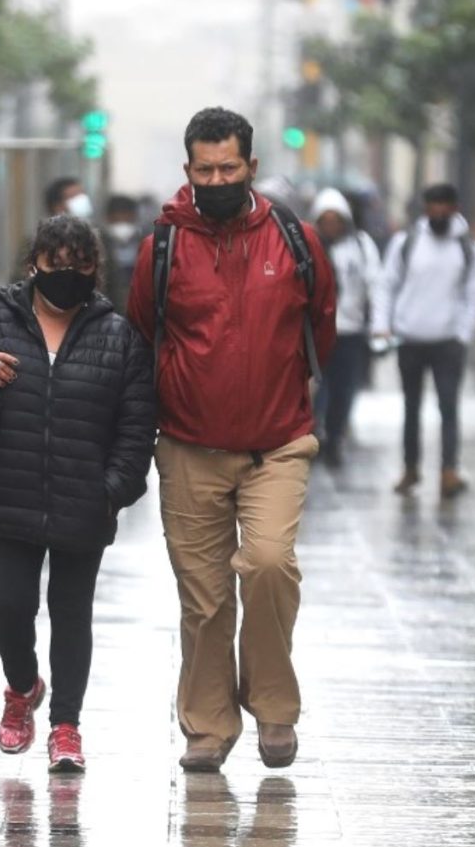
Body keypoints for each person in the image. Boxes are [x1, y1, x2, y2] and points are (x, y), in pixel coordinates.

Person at [126, 107, 336, 773]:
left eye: (228, 167)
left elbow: (321, 327)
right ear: (188, 170)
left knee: (271, 564)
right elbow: (140, 333)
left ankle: (274, 704)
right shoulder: (163, 246)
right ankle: (208, 723)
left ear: (251, 165)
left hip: (277, 443)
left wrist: (289, 392)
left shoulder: (294, 239)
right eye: (204, 169)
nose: (216, 178)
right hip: (188, 445)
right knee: (205, 597)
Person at [0, 214, 157, 773]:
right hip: (9, 491)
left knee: (71, 613)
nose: (67, 277)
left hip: (85, 501)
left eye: (79, 267)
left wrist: (113, 491)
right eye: (55, 266)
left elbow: (137, 423)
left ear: (95, 271)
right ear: (34, 266)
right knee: (10, 607)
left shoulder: (118, 337)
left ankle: (67, 727)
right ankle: (22, 687)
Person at [372, 183, 475, 499]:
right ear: (425, 208)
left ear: (454, 208)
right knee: (411, 408)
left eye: (443, 206)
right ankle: (411, 469)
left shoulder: (467, 249)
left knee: (448, 407)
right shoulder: (406, 243)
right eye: (432, 205)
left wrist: (463, 334)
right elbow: (387, 284)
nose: (437, 211)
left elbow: (474, 293)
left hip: (448, 342)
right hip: (410, 339)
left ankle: (449, 471)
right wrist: (382, 325)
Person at [310, 188, 382, 469]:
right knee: (318, 388)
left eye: (335, 220)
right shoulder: (311, 244)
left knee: (345, 389)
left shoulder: (361, 246)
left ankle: (335, 436)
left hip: (350, 332)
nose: (331, 226)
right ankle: (317, 435)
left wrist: (378, 325)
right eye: (325, 220)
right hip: (317, 332)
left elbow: (375, 284)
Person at [101, 194, 143, 315]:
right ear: (108, 218)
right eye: (117, 219)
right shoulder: (100, 242)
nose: (122, 223)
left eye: (126, 218)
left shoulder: (145, 240)